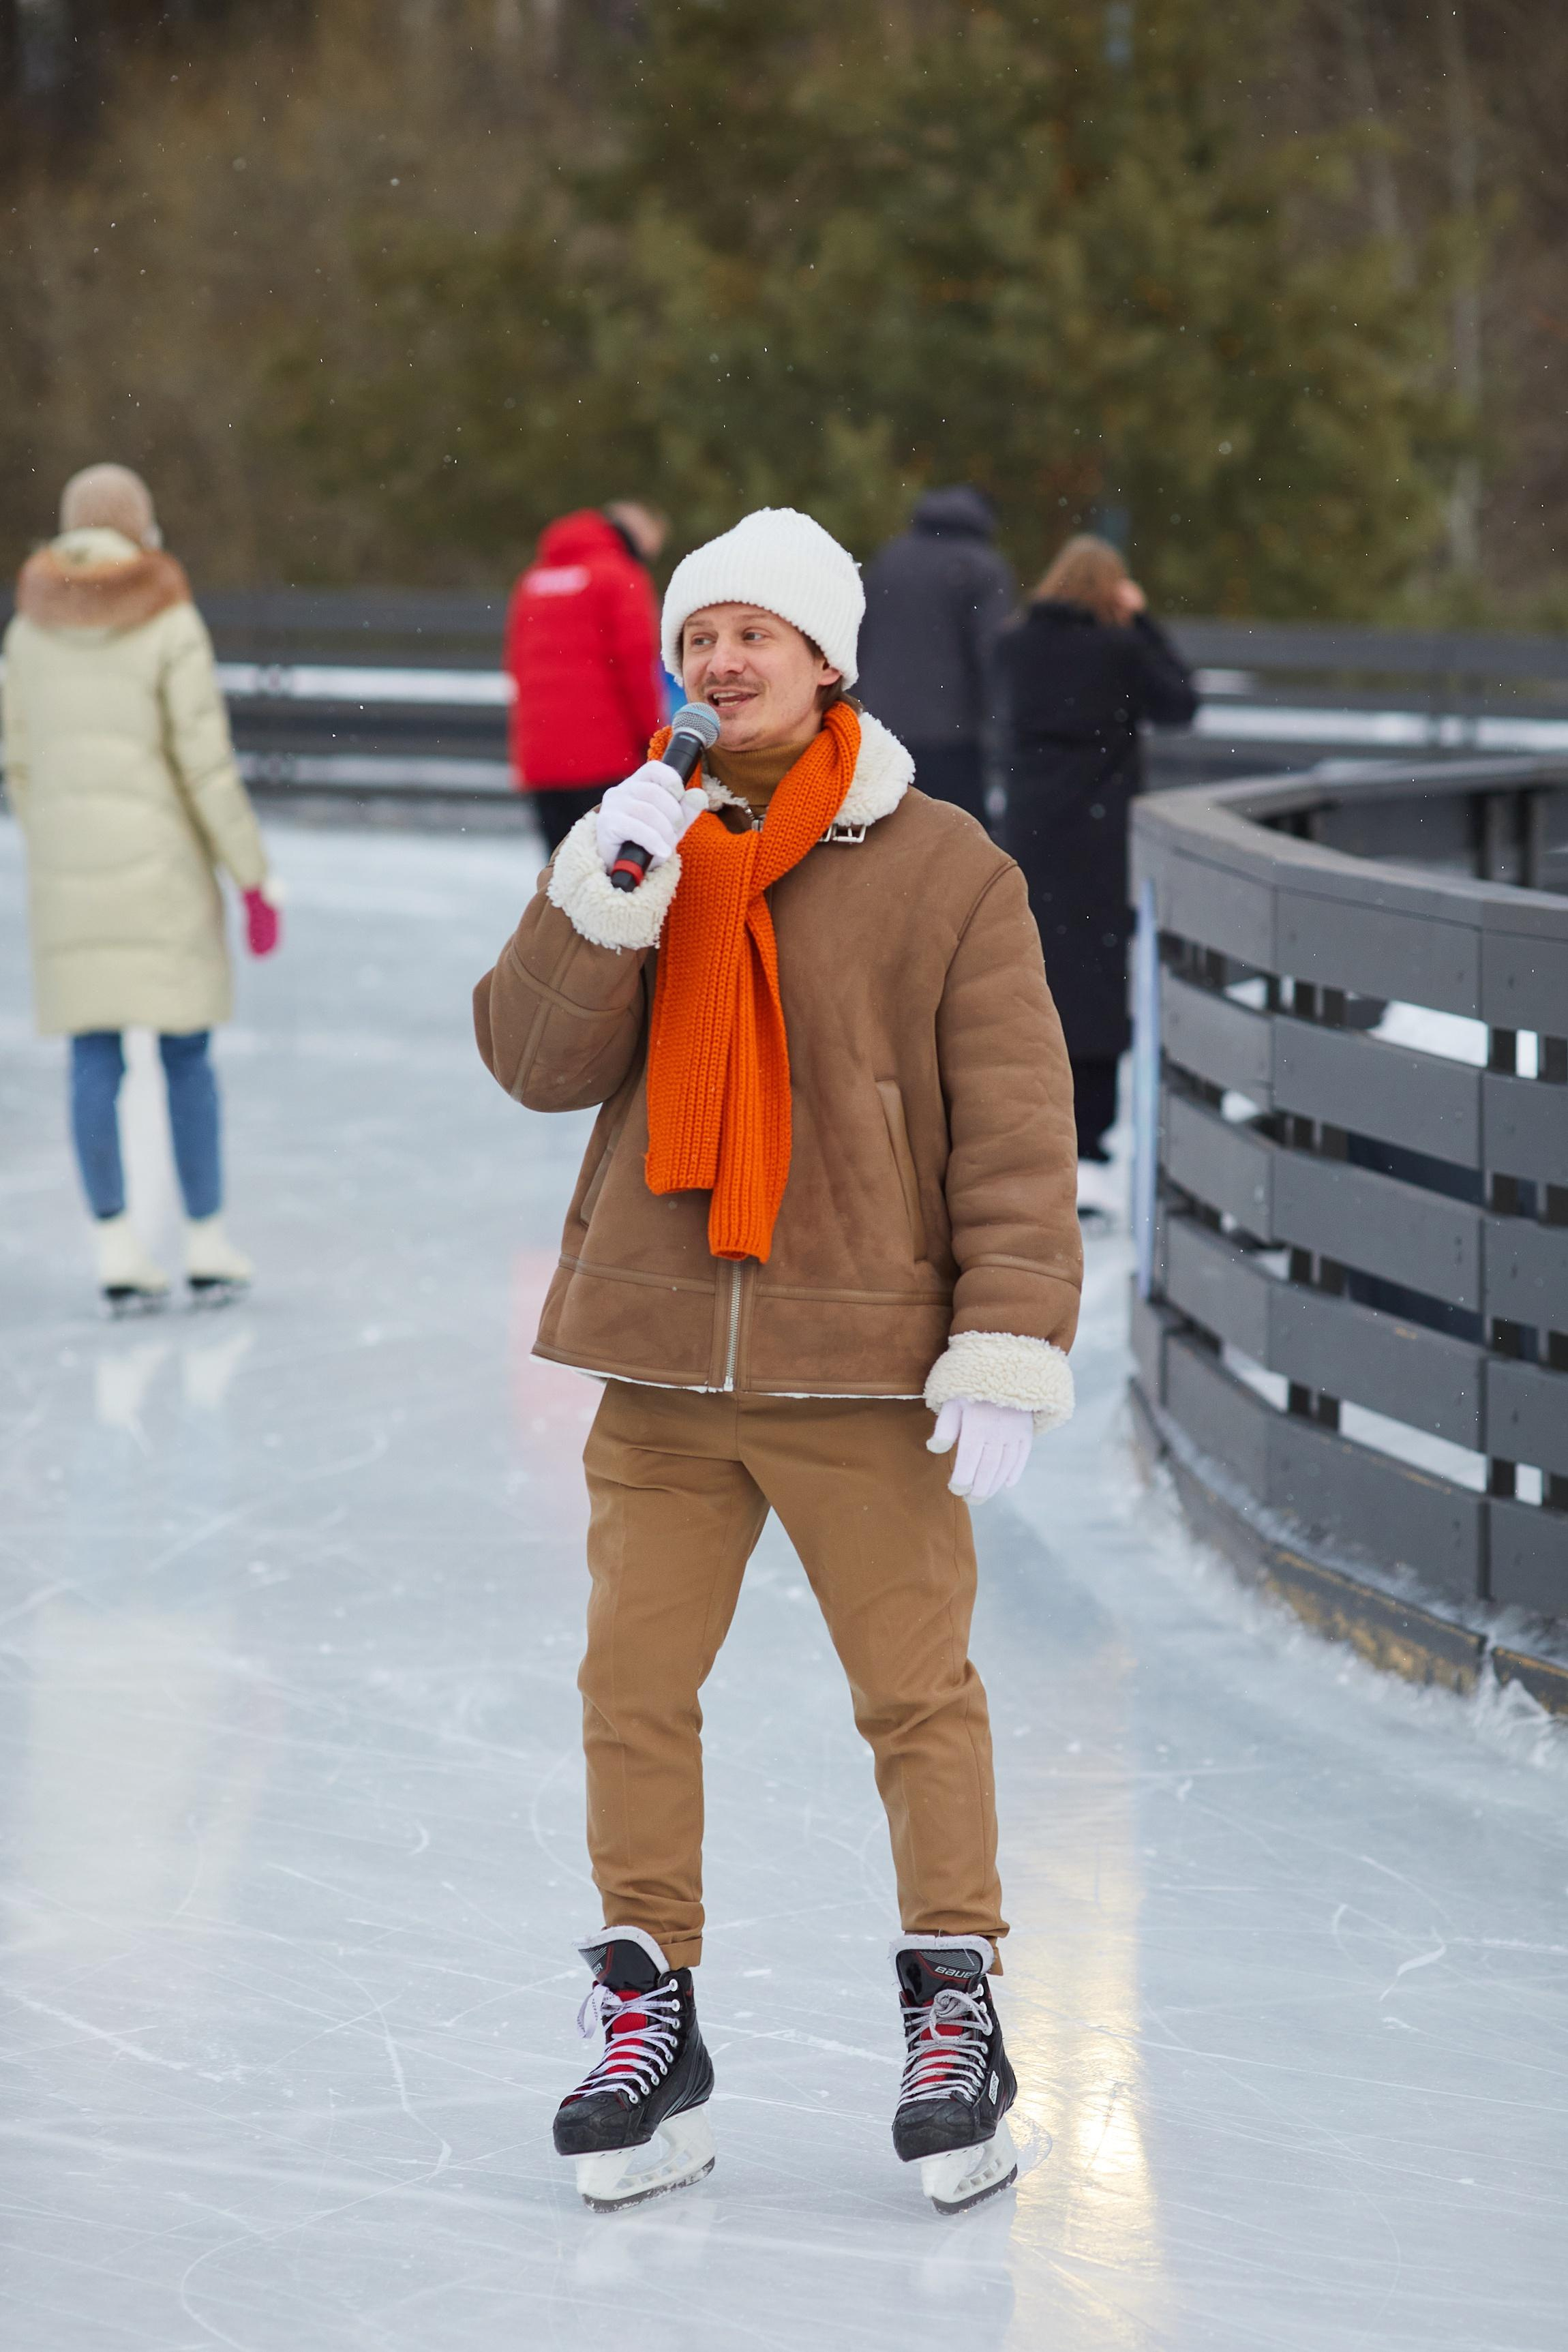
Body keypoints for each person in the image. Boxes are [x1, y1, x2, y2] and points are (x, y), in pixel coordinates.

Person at [474, 506, 1082, 2216]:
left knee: (914, 1696)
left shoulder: (945, 864)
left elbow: (1018, 1129)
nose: (721, 658)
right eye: (700, 634)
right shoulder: (639, 841)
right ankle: (645, 2015)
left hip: (863, 1368)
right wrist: (601, 889)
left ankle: (953, 2006)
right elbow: (527, 1061)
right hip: (660, 1361)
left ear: (829, 660)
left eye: (759, 633)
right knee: (630, 1692)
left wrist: (1006, 1331)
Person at [2, 465, 281, 1312]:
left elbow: (18, 757)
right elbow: (202, 760)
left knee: (94, 1054)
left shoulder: (29, 627)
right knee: (184, 1052)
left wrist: (55, 837)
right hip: (160, 869)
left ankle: (117, 1244)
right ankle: (204, 1240)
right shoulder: (167, 613)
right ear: (141, 527)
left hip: (69, 872)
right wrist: (251, 876)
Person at [998, 534, 1197, 1193]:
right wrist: (1142, 620)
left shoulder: (1017, 644)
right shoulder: (1120, 649)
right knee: (1096, 973)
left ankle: (1027, 1113)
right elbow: (1182, 702)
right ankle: (1090, 1124)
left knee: (1031, 967)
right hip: (1100, 834)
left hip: (1030, 828)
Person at [504, 500, 668, 855]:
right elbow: (638, 668)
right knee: (611, 877)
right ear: (640, 532)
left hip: (541, 760)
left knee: (560, 878)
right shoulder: (619, 575)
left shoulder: (532, 580)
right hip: (605, 761)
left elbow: (516, 665)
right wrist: (654, 739)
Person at [854, 485, 1015, 832]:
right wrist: (1001, 724)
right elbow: (992, 654)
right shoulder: (982, 566)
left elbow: (859, 639)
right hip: (953, 735)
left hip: (884, 728)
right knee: (960, 843)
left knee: (890, 841)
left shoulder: (890, 558)